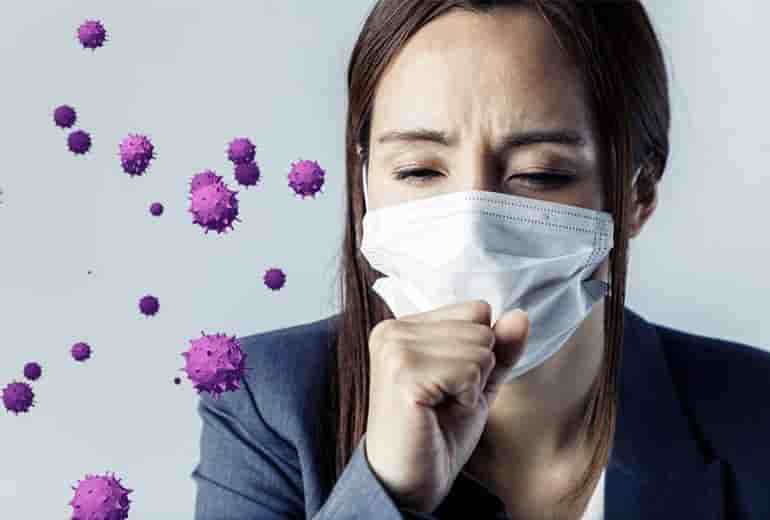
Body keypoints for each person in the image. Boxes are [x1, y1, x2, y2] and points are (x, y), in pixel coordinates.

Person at [191, 1, 770, 518]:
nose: (473, 229)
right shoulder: (265, 403)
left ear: (638, 193)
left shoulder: (756, 412)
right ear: (364, 181)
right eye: (419, 169)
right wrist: (388, 491)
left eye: (540, 174)